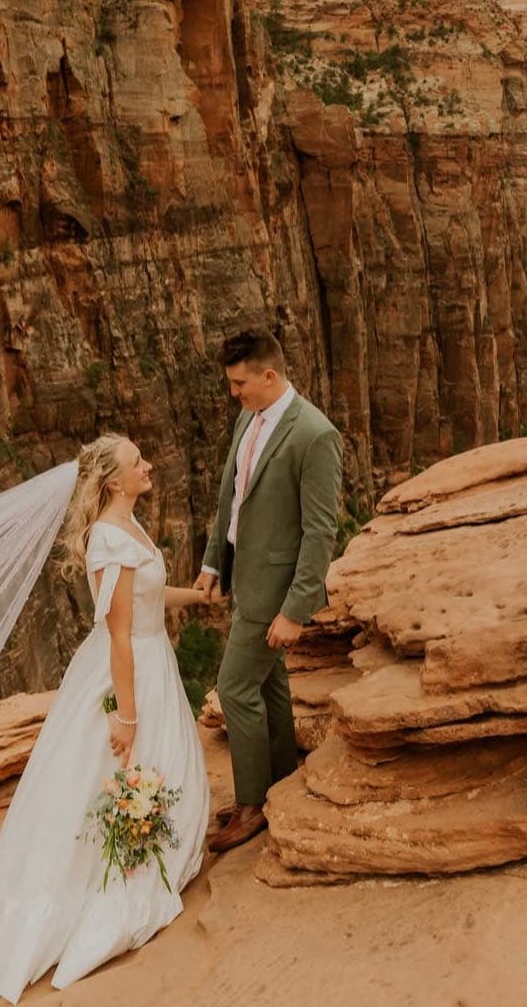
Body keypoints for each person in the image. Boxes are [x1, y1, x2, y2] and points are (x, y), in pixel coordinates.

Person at [0, 434, 210, 1003]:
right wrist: (126, 715)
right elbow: (120, 632)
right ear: (113, 482)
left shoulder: (129, 528)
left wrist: (196, 598)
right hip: (128, 670)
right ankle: (95, 895)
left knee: (161, 772)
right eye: (136, 462)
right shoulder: (108, 541)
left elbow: (145, 598)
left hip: (150, 660)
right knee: (113, 772)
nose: (148, 465)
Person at [194, 328, 343, 852]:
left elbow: (321, 530)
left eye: (240, 384)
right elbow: (230, 498)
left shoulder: (314, 435)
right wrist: (214, 561)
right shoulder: (248, 418)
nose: (234, 393)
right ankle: (281, 781)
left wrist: (296, 610)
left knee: (234, 689)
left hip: (275, 592)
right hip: (245, 578)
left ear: (269, 376)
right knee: (269, 685)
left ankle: (252, 804)